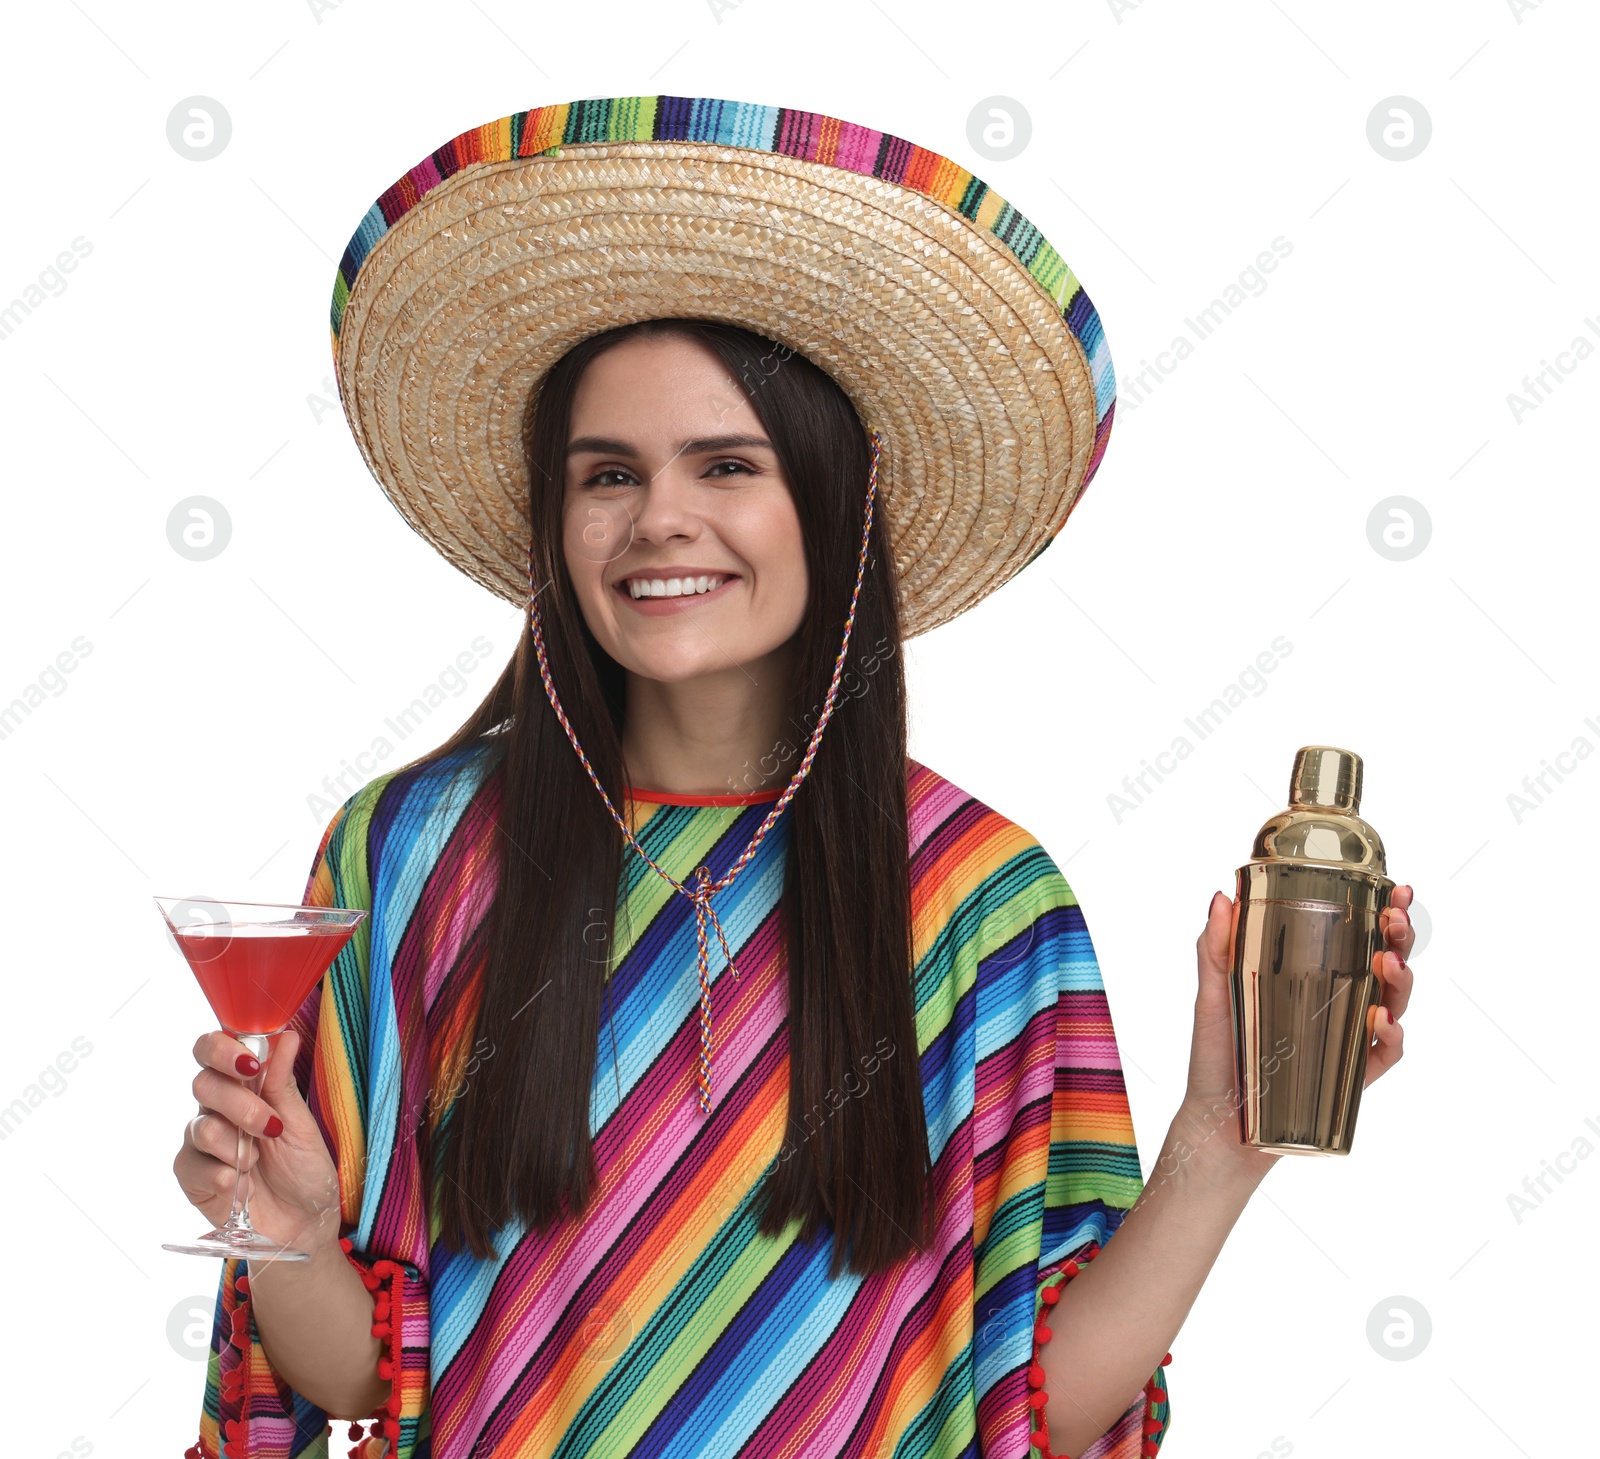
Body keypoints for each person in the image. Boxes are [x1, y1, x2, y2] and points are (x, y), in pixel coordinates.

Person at [172, 97, 1414, 1459]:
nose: (659, 520)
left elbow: (1039, 1407)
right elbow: (353, 1384)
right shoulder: (407, 858)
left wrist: (1223, 1137)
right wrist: (286, 1236)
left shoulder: (982, 899)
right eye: (606, 474)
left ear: (832, 501)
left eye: (726, 465)